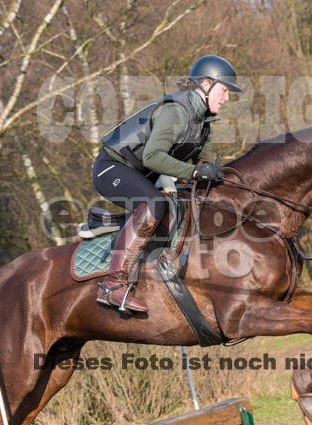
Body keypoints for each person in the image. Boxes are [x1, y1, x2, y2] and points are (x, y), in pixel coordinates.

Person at [92, 55, 241, 313]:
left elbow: (204, 168)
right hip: (111, 167)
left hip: (141, 174)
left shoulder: (204, 124)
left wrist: (216, 176)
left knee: (182, 202)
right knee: (155, 203)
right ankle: (111, 286)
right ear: (206, 84)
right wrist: (195, 172)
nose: (227, 98)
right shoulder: (175, 112)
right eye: (224, 90)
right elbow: (153, 157)